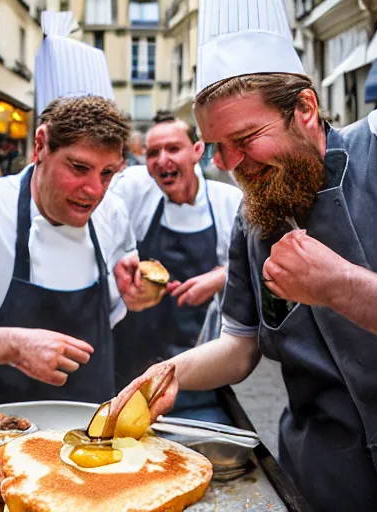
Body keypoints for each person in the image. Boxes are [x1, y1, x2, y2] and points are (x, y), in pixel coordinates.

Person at [121, 1, 377, 511]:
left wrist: (336, 283)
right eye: (217, 147)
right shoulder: (253, 221)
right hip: (321, 482)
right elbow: (240, 346)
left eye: (246, 139)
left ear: (306, 109)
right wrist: (168, 374)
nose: (232, 165)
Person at [0, 11, 155, 428]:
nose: (95, 190)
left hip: (87, 443)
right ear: (40, 146)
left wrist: (133, 295)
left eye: (108, 173)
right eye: (78, 167)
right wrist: (13, 345)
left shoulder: (113, 212)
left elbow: (112, 309)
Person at [111, 111, 242, 422]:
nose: (162, 159)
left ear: (197, 151)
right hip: (135, 363)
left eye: (173, 149)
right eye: (153, 152)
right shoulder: (137, 197)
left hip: (198, 365)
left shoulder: (228, 201)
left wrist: (220, 277)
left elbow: (259, 263)